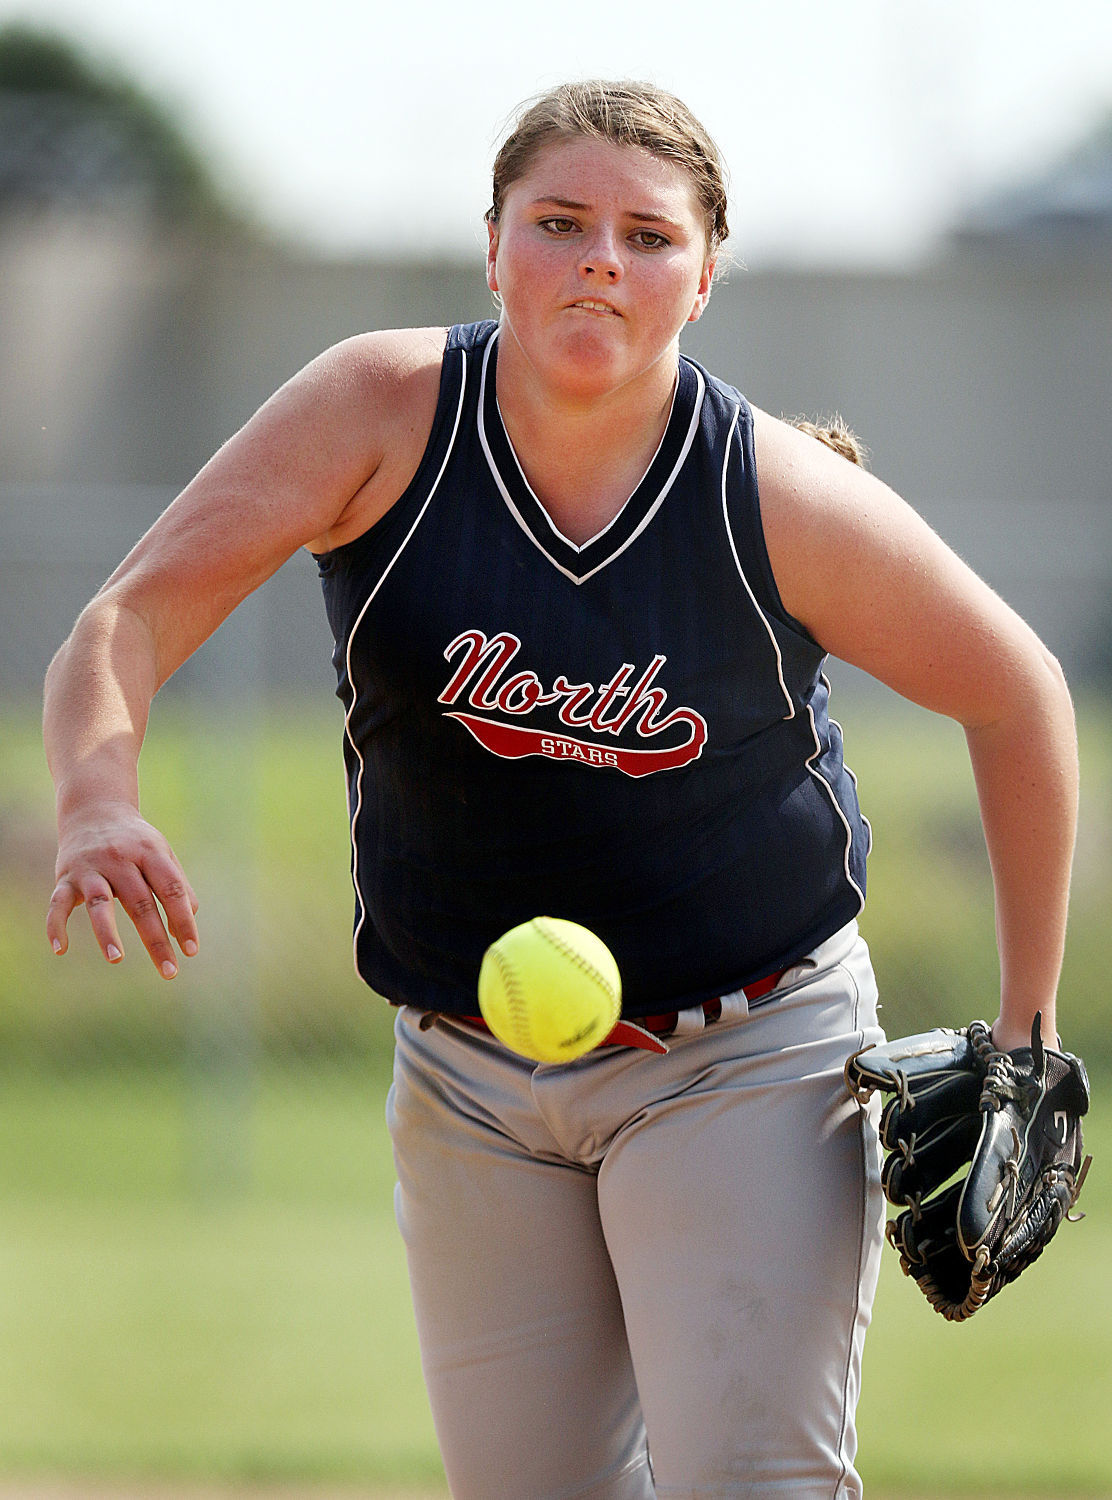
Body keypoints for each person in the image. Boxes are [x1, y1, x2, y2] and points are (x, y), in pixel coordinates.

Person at [43, 80, 1078, 1499]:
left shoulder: (767, 495)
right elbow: (130, 618)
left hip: (745, 1051)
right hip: (468, 1072)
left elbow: (1016, 693)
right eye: (560, 221)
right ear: (491, 248)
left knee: (753, 1482)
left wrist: (1027, 1031)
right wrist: (98, 791)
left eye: (649, 236)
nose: (602, 258)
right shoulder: (382, 415)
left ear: (705, 277)